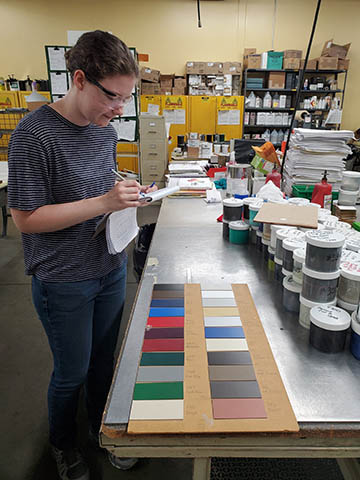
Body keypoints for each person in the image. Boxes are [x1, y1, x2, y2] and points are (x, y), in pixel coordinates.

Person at [7, 30, 156, 480]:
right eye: (112, 97)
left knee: (103, 363)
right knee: (71, 371)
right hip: (63, 278)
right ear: (79, 79)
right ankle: (63, 444)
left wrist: (127, 192)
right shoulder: (33, 135)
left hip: (109, 267)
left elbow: (100, 183)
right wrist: (104, 203)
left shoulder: (103, 130)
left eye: (126, 99)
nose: (118, 110)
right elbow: (26, 219)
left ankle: (100, 431)